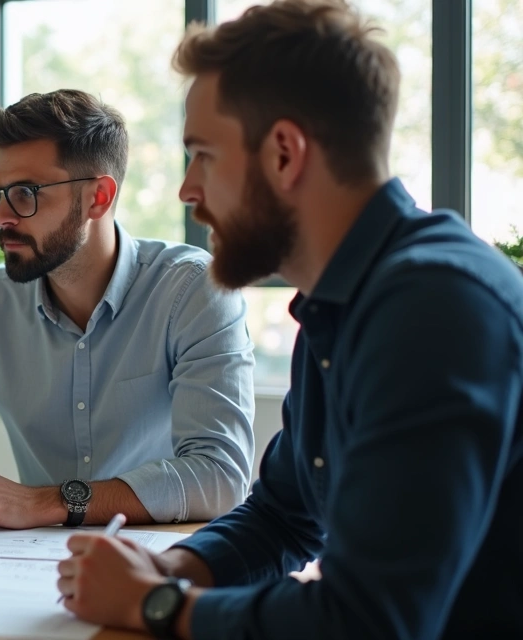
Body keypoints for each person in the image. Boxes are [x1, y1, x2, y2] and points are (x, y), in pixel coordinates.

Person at [55, 1, 523, 638]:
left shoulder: (433, 309)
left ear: (283, 154)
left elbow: (370, 621)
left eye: (202, 155)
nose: (186, 191)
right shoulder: (343, 301)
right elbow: (284, 515)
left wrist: (154, 605)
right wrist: (171, 566)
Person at [0, 89, 256, 530]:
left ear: (98, 198)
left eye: (25, 193)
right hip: (29, 565)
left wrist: (44, 502)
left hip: (161, 564)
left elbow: (220, 477)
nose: (0, 217)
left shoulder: (193, 291)